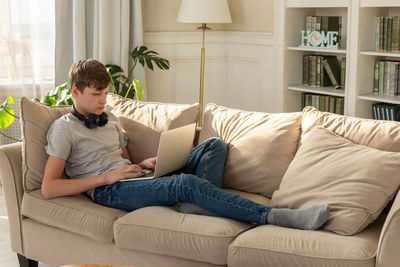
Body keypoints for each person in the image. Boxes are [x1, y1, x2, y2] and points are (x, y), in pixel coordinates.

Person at [41, 59, 329, 230]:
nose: (104, 100)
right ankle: (272, 216)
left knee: (214, 144)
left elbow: (123, 156)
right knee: (186, 183)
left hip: (131, 178)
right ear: (75, 92)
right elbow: (49, 187)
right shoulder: (63, 130)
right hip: (108, 190)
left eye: (106, 93)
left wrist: (139, 165)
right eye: (96, 94)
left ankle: (197, 204)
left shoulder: (111, 118)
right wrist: (108, 177)